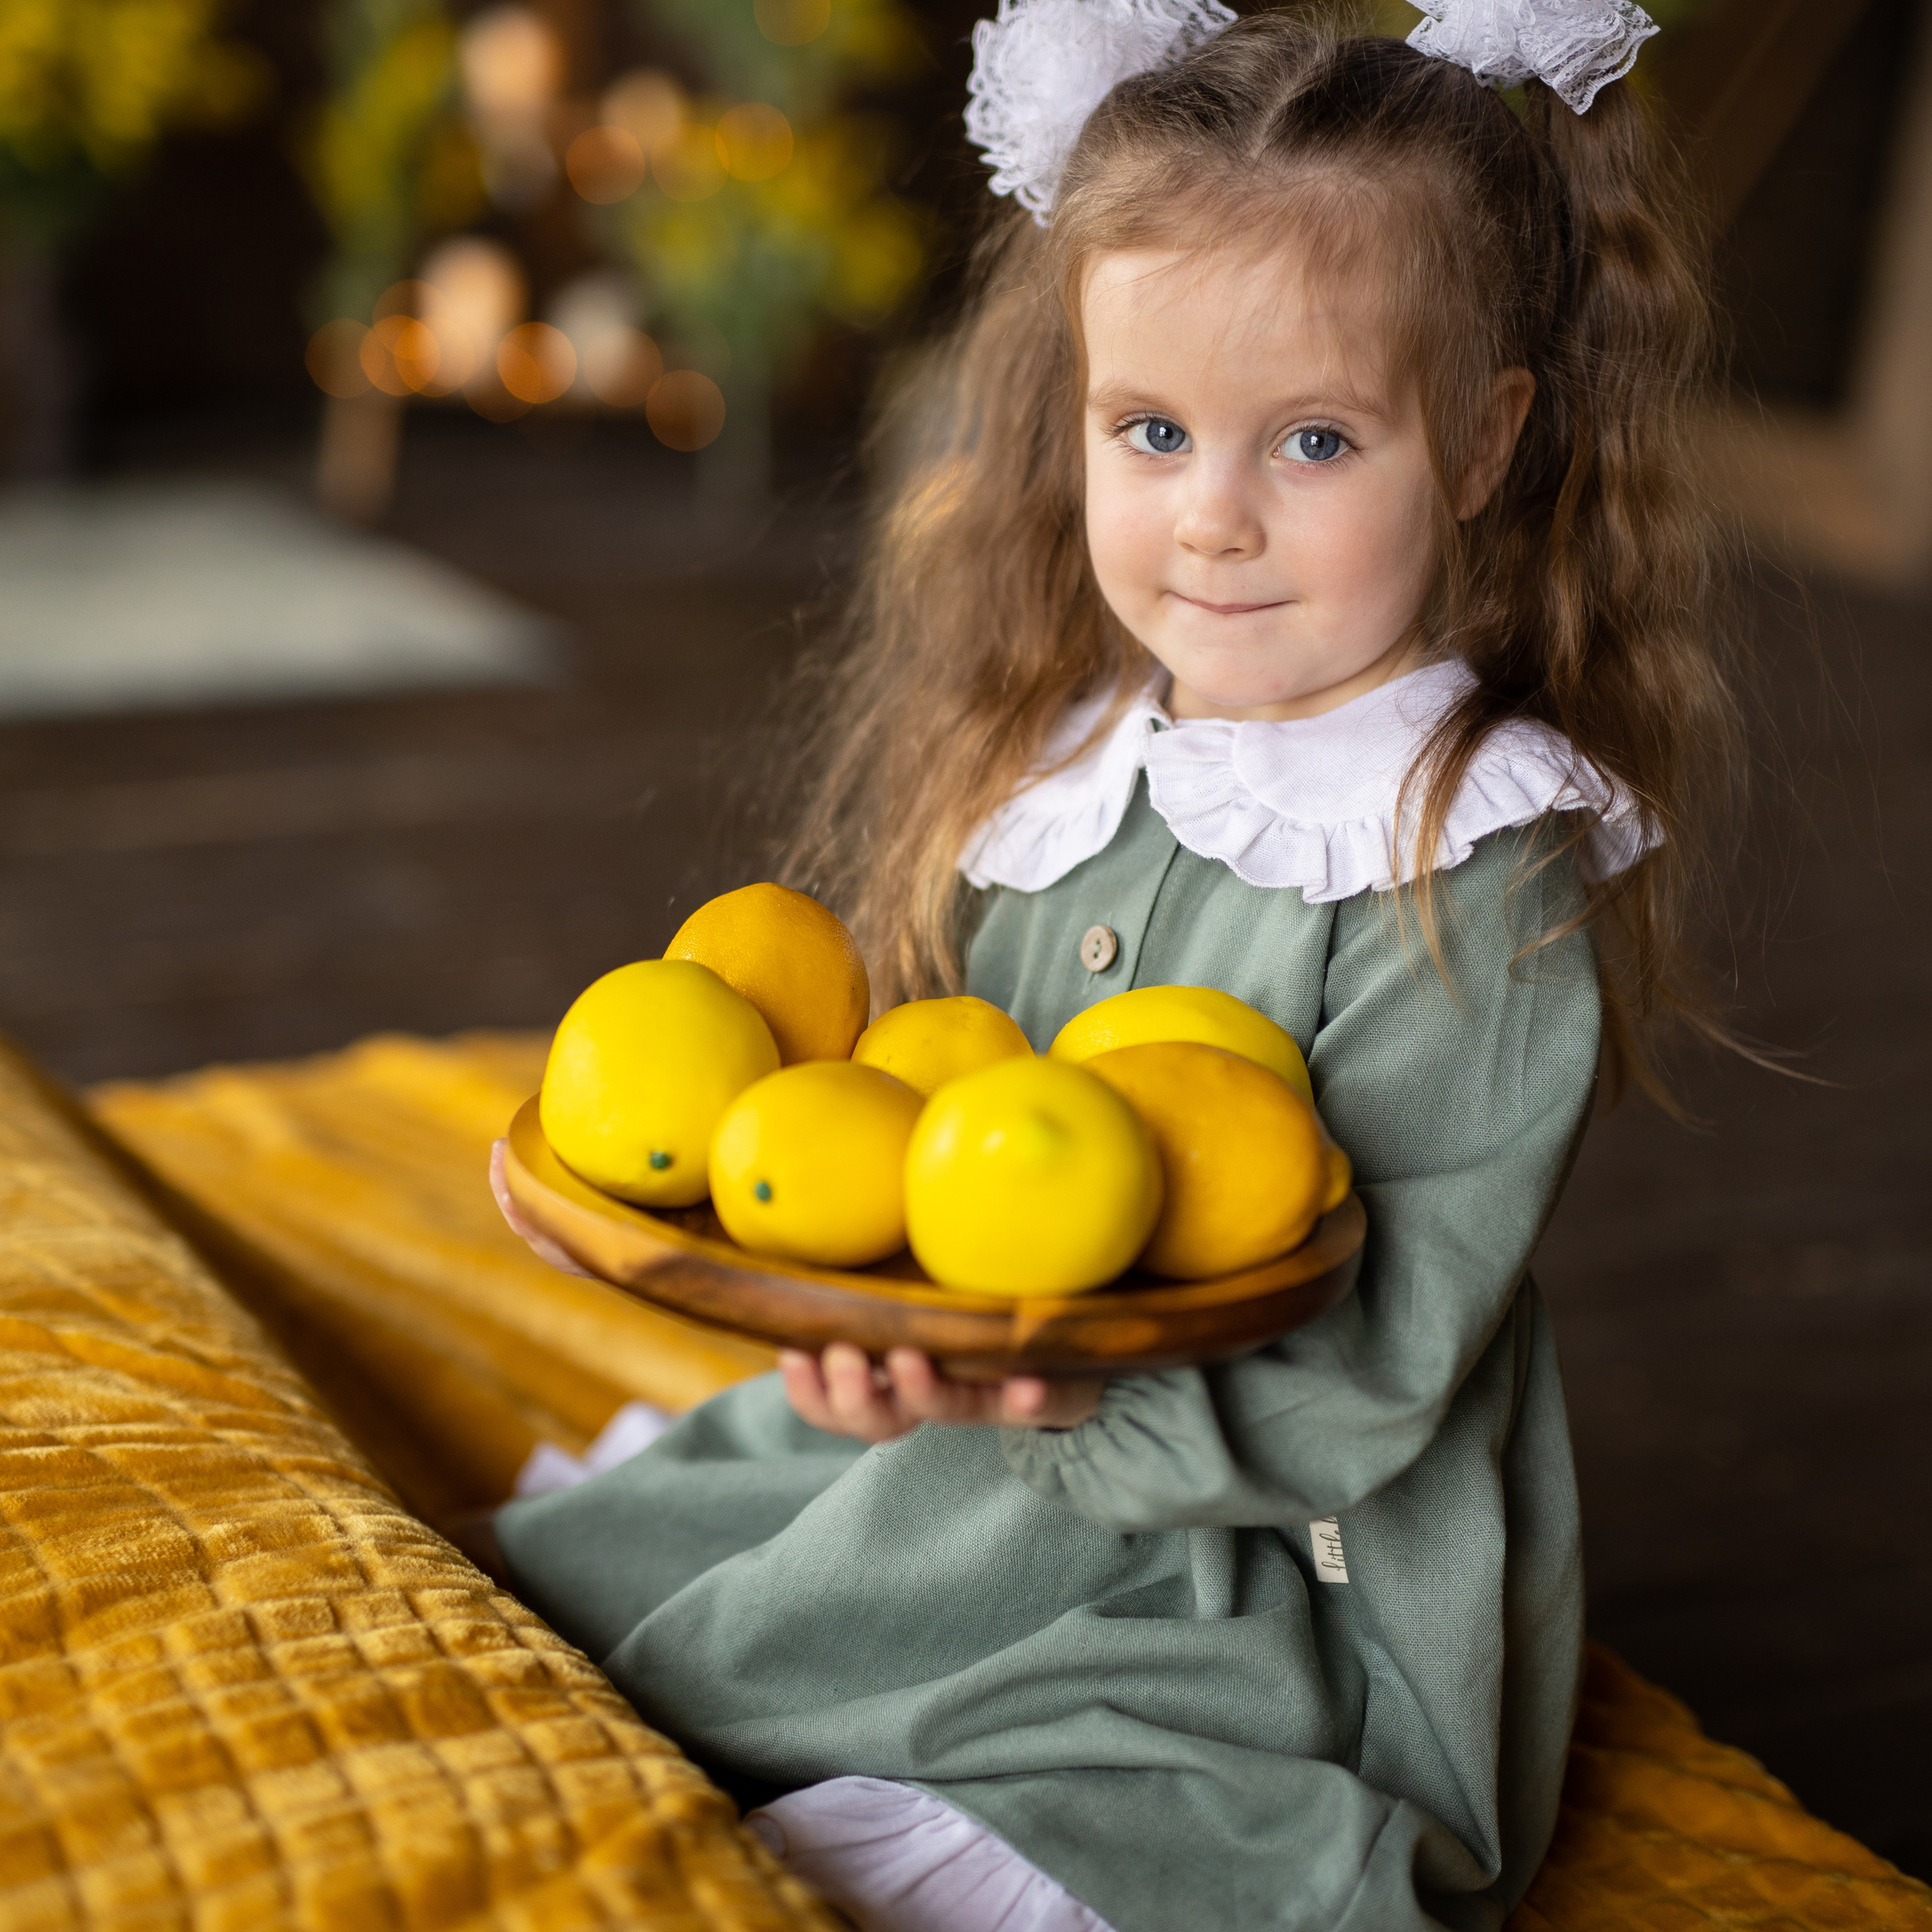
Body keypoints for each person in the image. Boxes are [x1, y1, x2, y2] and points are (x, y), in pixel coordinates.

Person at [488, 3, 1740, 1926]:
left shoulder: (1468, 857)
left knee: (1026, 1814)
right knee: (589, 1592)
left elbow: (1375, 1365)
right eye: (1147, 431)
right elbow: (944, 1116)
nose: (1211, 515)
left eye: (1311, 438)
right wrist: (879, 1320)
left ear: (1484, 438)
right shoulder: (1077, 750)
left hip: (1257, 1549)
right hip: (986, 1436)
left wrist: (1035, 1403)